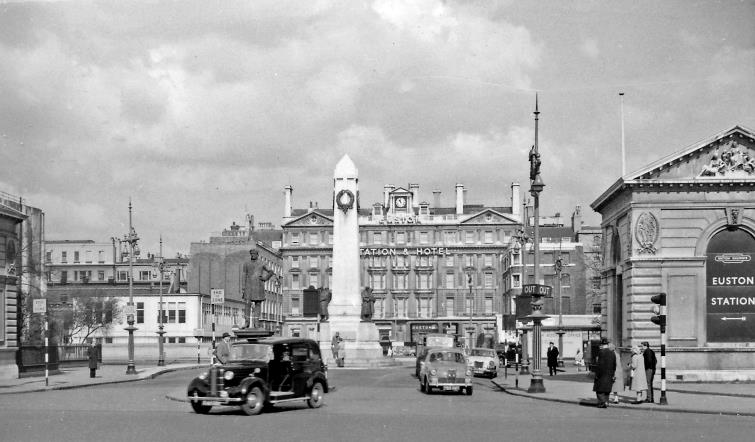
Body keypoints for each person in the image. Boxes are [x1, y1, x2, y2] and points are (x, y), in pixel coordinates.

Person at [241, 249, 278, 328]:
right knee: (247, 304)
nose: (253, 255)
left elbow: (271, 271)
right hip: (248, 286)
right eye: (251, 254)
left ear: (257, 255)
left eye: (254, 254)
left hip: (258, 286)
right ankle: (247, 322)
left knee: (258, 304)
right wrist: (243, 287)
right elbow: (244, 275)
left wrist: (265, 278)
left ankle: (256, 323)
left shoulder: (262, 263)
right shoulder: (246, 263)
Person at [592, 338, 616, 408]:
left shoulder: (601, 352)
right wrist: (613, 374)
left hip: (602, 374)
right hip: (610, 374)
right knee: (607, 390)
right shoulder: (612, 352)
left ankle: (602, 403)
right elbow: (614, 365)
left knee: (599, 390)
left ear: (602, 345)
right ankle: (606, 402)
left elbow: (600, 365)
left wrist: (597, 375)